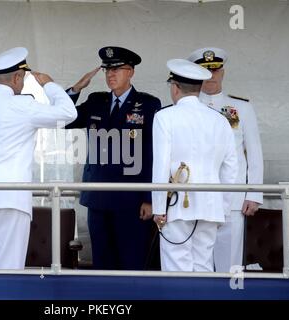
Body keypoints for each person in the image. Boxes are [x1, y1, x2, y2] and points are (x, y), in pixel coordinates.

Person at [0, 47, 77, 270]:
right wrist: (49, 85)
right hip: (10, 198)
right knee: (9, 266)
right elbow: (69, 113)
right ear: (17, 77)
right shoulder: (23, 106)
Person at [65, 46, 162, 270]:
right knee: (102, 262)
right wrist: (75, 89)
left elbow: (152, 153)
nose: (111, 74)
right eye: (107, 69)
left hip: (132, 200)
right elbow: (63, 119)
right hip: (98, 198)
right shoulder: (95, 101)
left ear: (131, 72)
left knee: (132, 262)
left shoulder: (148, 105)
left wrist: (150, 197)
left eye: (117, 69)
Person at [152, 59, 238, 272]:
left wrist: (159, 207)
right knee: (204, 266)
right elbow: (231, 167)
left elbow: (161, 165)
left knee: (176, 266)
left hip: (178, 205)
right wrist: (224, 208)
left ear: (175, 87)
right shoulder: (220, 119)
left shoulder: (165, 117)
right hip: (211, 205)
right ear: (199, 88)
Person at [188, 47, 264, 272]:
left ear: (223, 72)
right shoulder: (185, 108)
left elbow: (254, 152)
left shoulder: (241, 107)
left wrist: (254, 193)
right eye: (205, 70)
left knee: (229, 263)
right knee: (196, 262)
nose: (211, 76)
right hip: (196, 197)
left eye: (215, 70)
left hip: (233, 198)